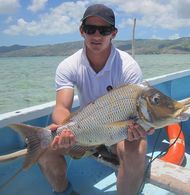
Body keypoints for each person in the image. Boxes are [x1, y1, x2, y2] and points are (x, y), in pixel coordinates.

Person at [38, 4, 154, 195]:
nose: (97, 36)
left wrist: (138, 129)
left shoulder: (128, 66)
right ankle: (64, 191)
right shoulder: (68, 65)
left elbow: (138, 113)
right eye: (91, 29)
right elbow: (61, 108)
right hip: (84, 131)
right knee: (44, 149)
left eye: (104, 30)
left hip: (118, 132)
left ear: (114, 33)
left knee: (136, 152)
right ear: (82, 31)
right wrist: (64, 129)